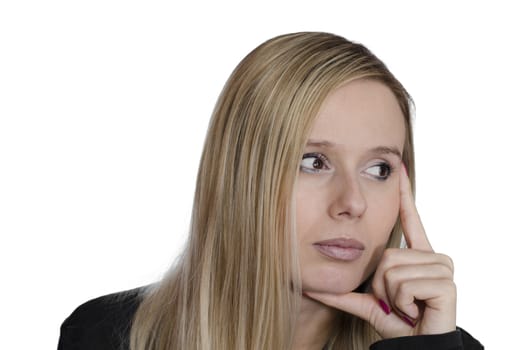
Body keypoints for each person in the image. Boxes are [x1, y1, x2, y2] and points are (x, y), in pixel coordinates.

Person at [58, 32, 483, 350]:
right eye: (313, 162)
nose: (353, 203)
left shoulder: (441, 343)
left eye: (378, 168)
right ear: (242, 174)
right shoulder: (105, 335)